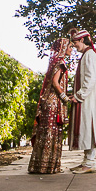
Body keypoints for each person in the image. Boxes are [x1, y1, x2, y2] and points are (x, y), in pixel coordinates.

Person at [28, 38, 73, 174]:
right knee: (51, 133)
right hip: (54, 103)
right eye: (70, 47)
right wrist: (65, 97)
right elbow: (55, 82)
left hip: (49, 102)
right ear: (63, 48)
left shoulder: (55, 62)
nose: (71, 49)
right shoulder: (60, 63)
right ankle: (48, 166)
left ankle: (39, 165)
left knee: (46, 133)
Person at [69, 28, 96, 174]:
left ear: (82, 40)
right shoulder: (87, 54)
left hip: (87, 100)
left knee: (89, 129)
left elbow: (90, 79)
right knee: (86, 129)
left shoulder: (89, 55)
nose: (74, 46)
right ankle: (87, 161)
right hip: (86, 99)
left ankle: (89, 163)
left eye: (75, 42)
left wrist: (79, 95)